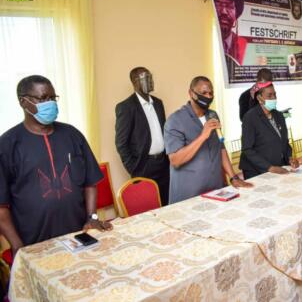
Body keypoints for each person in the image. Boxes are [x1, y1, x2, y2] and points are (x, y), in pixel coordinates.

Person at [0, 75, 112, 258]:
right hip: (34, 242)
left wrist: (91, 218)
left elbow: (90, 182)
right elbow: (1, 206)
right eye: (43, 98)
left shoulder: (73, 135)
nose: (49, 103)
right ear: (24, 102)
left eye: (52, 98)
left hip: (78, 234)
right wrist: (17, 245)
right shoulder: (7, 145)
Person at [164, 76, 252, 204]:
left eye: (211, 93)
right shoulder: (175, 121)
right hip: (189, 194)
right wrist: (202, 136)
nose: (208, 96)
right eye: (203, 93)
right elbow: (175, 160)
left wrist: (233, 177)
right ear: (191, 93)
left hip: (216, 189)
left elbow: (220, 148)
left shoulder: (212, 115)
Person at [115, 67, 170, 205]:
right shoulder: (126, 107)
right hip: (143, 166)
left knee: (167, 204)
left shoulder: (158, 103)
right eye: (146, 78)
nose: (150, 81)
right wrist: (134, 168)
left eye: (151, 77)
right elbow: (121, 143)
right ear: (135, 82)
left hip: (163, 164)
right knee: (148, 207)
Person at [240, 81, 299, 179]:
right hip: (256, 171)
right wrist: (269, 168)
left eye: (275, 94)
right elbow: (247, 149)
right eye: (270, 95)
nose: (274, 98)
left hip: (278, 168)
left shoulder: (279, 116)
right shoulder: (250, 117)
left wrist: (289, 158)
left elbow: (284, 142)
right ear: (259, 98)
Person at [212, 0, 245, 65]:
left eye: (229, 6)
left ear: (236, 13)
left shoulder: (243, 45)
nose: (224, 12)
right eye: (219, 4)